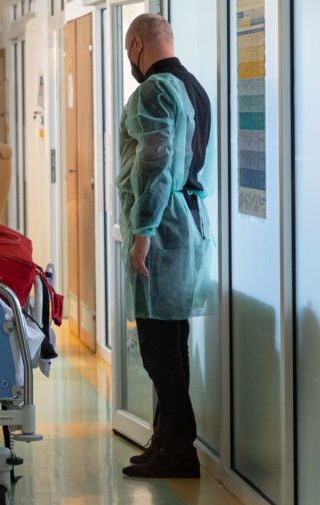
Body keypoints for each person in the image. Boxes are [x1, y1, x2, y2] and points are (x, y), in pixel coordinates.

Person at [117, 14, 213, 479]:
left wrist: (142, 234)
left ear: (137, 44)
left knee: (157, 347)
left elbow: (155, 163)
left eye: (128, 51)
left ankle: (180, 445)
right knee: (174, 341)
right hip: (188, 224)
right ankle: (168, 444)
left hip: (163, 229)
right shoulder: (195, 88)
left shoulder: (153, 91)